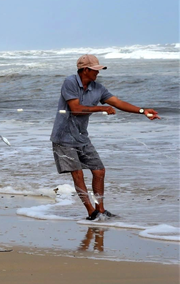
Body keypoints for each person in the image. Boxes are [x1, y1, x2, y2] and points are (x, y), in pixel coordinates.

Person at [50, 54, 159, 220]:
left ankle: (100, 209)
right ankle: (91, 212)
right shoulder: (70, 82)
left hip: (81, 137)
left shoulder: (98, 88)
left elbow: (117, 102)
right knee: (77, 174)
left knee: (99, 170)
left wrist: (143, 111)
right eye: (95, 70)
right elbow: (76, 108)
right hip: (63, 137)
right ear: (85, 70)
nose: (98, 73)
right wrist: (101, 109)